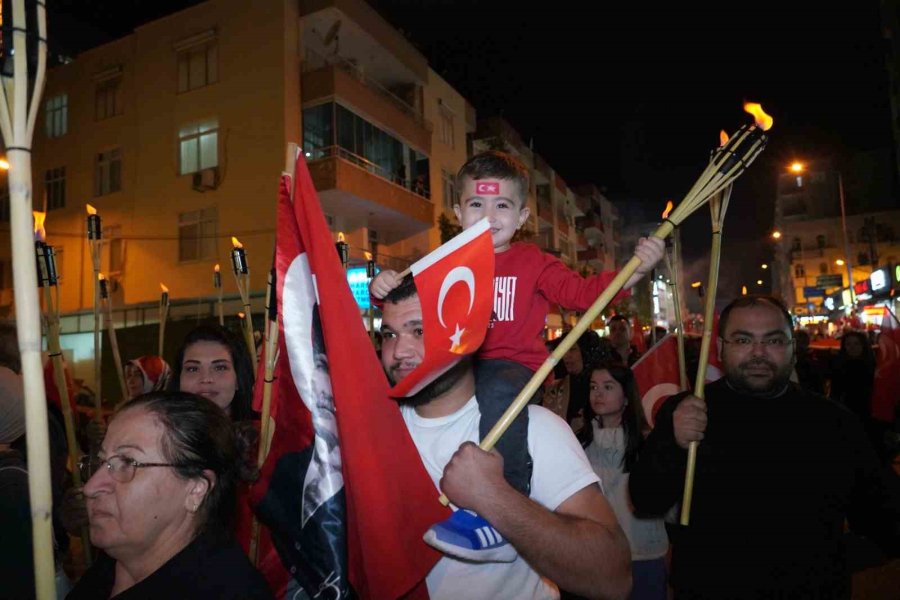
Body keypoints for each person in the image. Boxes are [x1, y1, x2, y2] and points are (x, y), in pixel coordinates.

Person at [371, 150, 664, 560]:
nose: (489, 216)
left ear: (523, 216)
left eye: (502, 205)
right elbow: (405, 299)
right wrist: (382, 286)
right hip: (458, 363)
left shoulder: (535, 263)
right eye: (477, 204)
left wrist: (634, 271)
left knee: (496, 392)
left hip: (510, 367)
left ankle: (501, 505)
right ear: (458, 211)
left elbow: (583, 294)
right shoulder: (446, 259)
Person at [628, 295, 900, 599]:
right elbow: (646, 500)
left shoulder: (833, 421)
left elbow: (887, 520)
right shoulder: (688, 410)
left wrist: (829, 561)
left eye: (773, 341)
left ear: (792, 348)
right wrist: (673, 443)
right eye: (743, 340)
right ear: (720, 349)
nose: (758, 353)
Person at [379, 277, 632, 599]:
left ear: (465, 335)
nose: (399, 351)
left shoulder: (533, 428)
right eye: (389, 334)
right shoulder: (372, 433)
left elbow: (613, 576)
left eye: (419, 331)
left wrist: (494, 497)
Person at [67, 391, 273, 599]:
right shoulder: (116, 559)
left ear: (195, 490)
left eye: (127, 463)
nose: (90, 487)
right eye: (102, 461)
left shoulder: (228, 592)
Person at [581, 363, 668, 600]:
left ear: (626, 396)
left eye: (608, 387)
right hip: (599, 555)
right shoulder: (580, 441)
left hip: (641, 554)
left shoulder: (648, 443)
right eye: (593, 387)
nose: (598, 394)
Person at [170, 324, 256, 421]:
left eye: (220, 368)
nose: (206, 379)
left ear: (238, 379)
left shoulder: (263, 429)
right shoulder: (160, 429)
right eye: (193, 369)